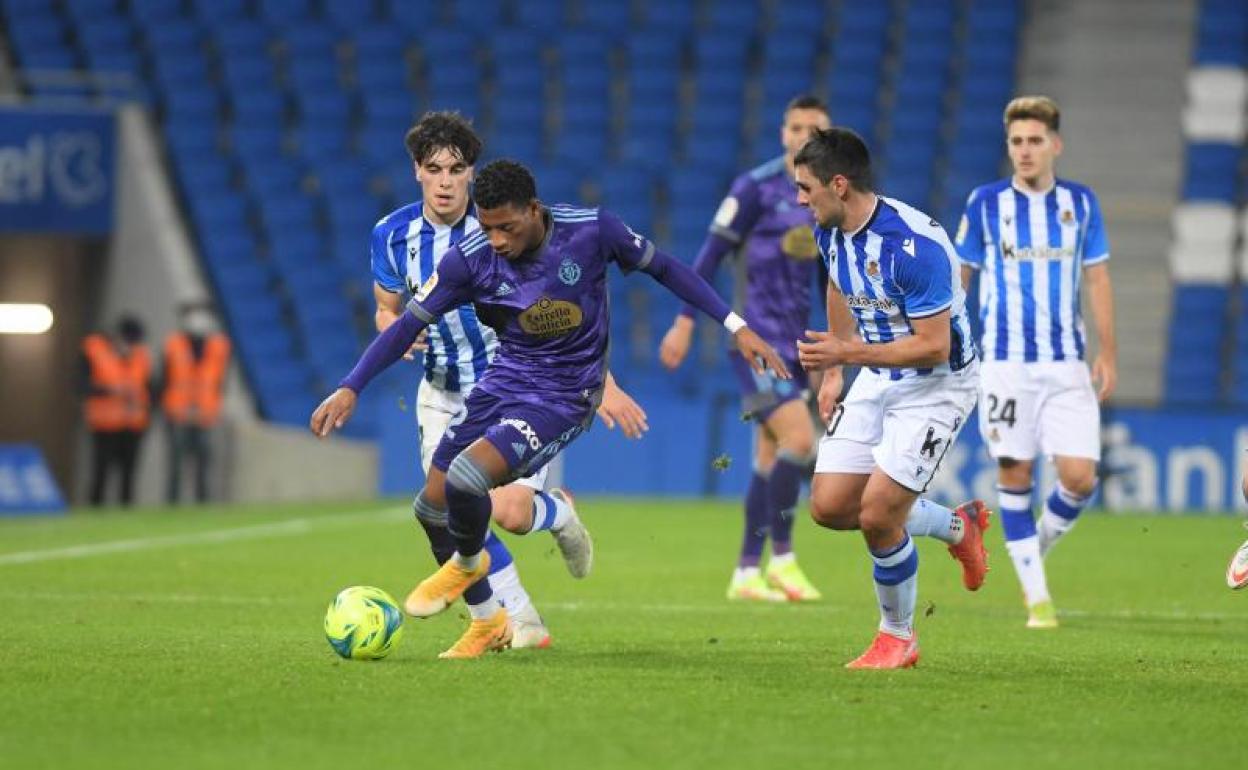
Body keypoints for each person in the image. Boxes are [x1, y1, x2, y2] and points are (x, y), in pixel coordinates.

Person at [313, 159, 788, 659]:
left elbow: (666, 269)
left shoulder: (591, 231)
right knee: (430, 508)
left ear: (533, 211)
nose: (496, 239)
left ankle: (468, 563)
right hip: (504, 382)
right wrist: (351, 387)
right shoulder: (468, 259)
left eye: (507, 227)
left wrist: (736, 325)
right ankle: (488, 621)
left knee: (467, 481)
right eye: (488, 226)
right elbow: (407, 325)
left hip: (568, 393)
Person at [370, 114, 649, 651]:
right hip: (441, 392)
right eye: (435, 170)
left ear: (472, 173)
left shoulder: (499, 230)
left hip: (520, 388)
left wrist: (604, 383)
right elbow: (388, 309)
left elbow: (560, 316)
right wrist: (393, 331)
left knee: (513, 514)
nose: (447, 181)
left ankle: (558, 512)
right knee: (453, 507)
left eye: (457, 169)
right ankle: (516, 622)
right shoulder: (391, 234)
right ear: (417, 173)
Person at [792, 127, 990, 670]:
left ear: (839, 184)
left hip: (938, 384)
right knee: (830, 508)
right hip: (875, 370)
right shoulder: (832, 231)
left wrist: (848, 353)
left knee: (879, 514)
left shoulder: (914, 247)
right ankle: (959, 527)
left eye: (806, 188)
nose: (799, 199)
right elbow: (837, 286)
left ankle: (897, 636)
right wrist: (834, 368)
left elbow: (932, 346)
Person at [658, 95, 831, 603]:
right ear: (783, 133)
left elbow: (830, 280)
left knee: (768, 454)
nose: (803, 136)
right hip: (756, 341)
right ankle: (783, 559)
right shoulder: (754, 188)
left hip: (798, 345)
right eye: (796, 126)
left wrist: (833, 348)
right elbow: (707, 258)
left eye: (814, 129)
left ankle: (746, 572)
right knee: (801, 442)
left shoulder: (822, 198)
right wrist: (685, 321)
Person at [954, 96, 1117, 629]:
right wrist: (950, 339)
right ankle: (1036, 596)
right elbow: (963, 277)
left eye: (1034, 141)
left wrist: (1108, 350)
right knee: (1016, 471)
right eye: (1016, 142)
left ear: (1055, 145)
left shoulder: (1082, 204)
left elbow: (1097, 279)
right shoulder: (984, 202)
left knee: (1080, 478)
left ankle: (1031, 555)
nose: (1024, 151)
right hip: (1004, 365)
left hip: (1066, 362)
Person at [160, 301, 230, 504]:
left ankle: (203, 505)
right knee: (176, 465)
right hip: (178, 414)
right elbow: (164, 379)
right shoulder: (173, 345)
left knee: (204, 466)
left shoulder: (219, 347)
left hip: (205, 415)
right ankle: (171, 505)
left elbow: (220, 382)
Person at [82, 314, 152, 507]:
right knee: (101, 471)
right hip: (104, 423)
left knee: (128, 473)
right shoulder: (95, 350)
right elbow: (81, 384)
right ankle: (95, 509)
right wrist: (108, 390)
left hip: (133, 424)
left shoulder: (140, 356)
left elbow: (149, 387)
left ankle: (126, 510)